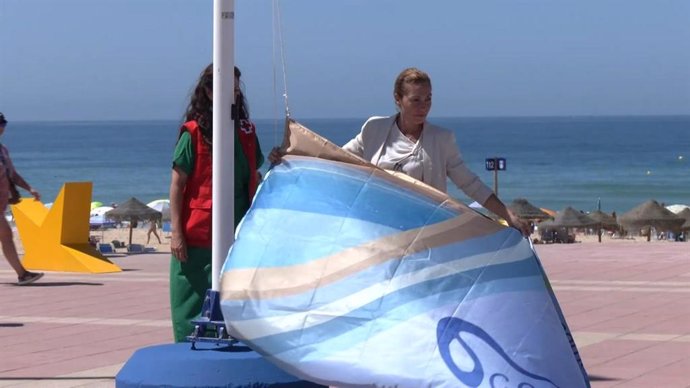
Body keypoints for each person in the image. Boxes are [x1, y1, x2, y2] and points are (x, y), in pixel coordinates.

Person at [270, 68, 529, 236]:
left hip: (426, 232)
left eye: (428, 98)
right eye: (415, 99)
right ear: (398, 99)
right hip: (379, 230)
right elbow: (335, 157)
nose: (423, 106)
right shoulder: (374, 129)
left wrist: (507, 214)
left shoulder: (442, 139)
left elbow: (470, 183)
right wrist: (290, 155)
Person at [168, 64, 264, 342]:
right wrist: (176, 233)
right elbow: (177, 185)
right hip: (197, 232)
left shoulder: (246, 131)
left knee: (236, 298)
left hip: (238, 230)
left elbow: (254, 172)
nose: (232, 95)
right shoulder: (194, 132)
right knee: (190, 299)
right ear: (209, 91)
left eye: (235, 90)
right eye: (226, 89)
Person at [0, 112, 44, 285]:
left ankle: (22, 274)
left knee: (6, 236)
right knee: (6, 235)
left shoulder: (3, 150)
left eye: (3, 124)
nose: (2, 127)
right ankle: (22, 274)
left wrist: (29, 188)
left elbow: (12, 174)